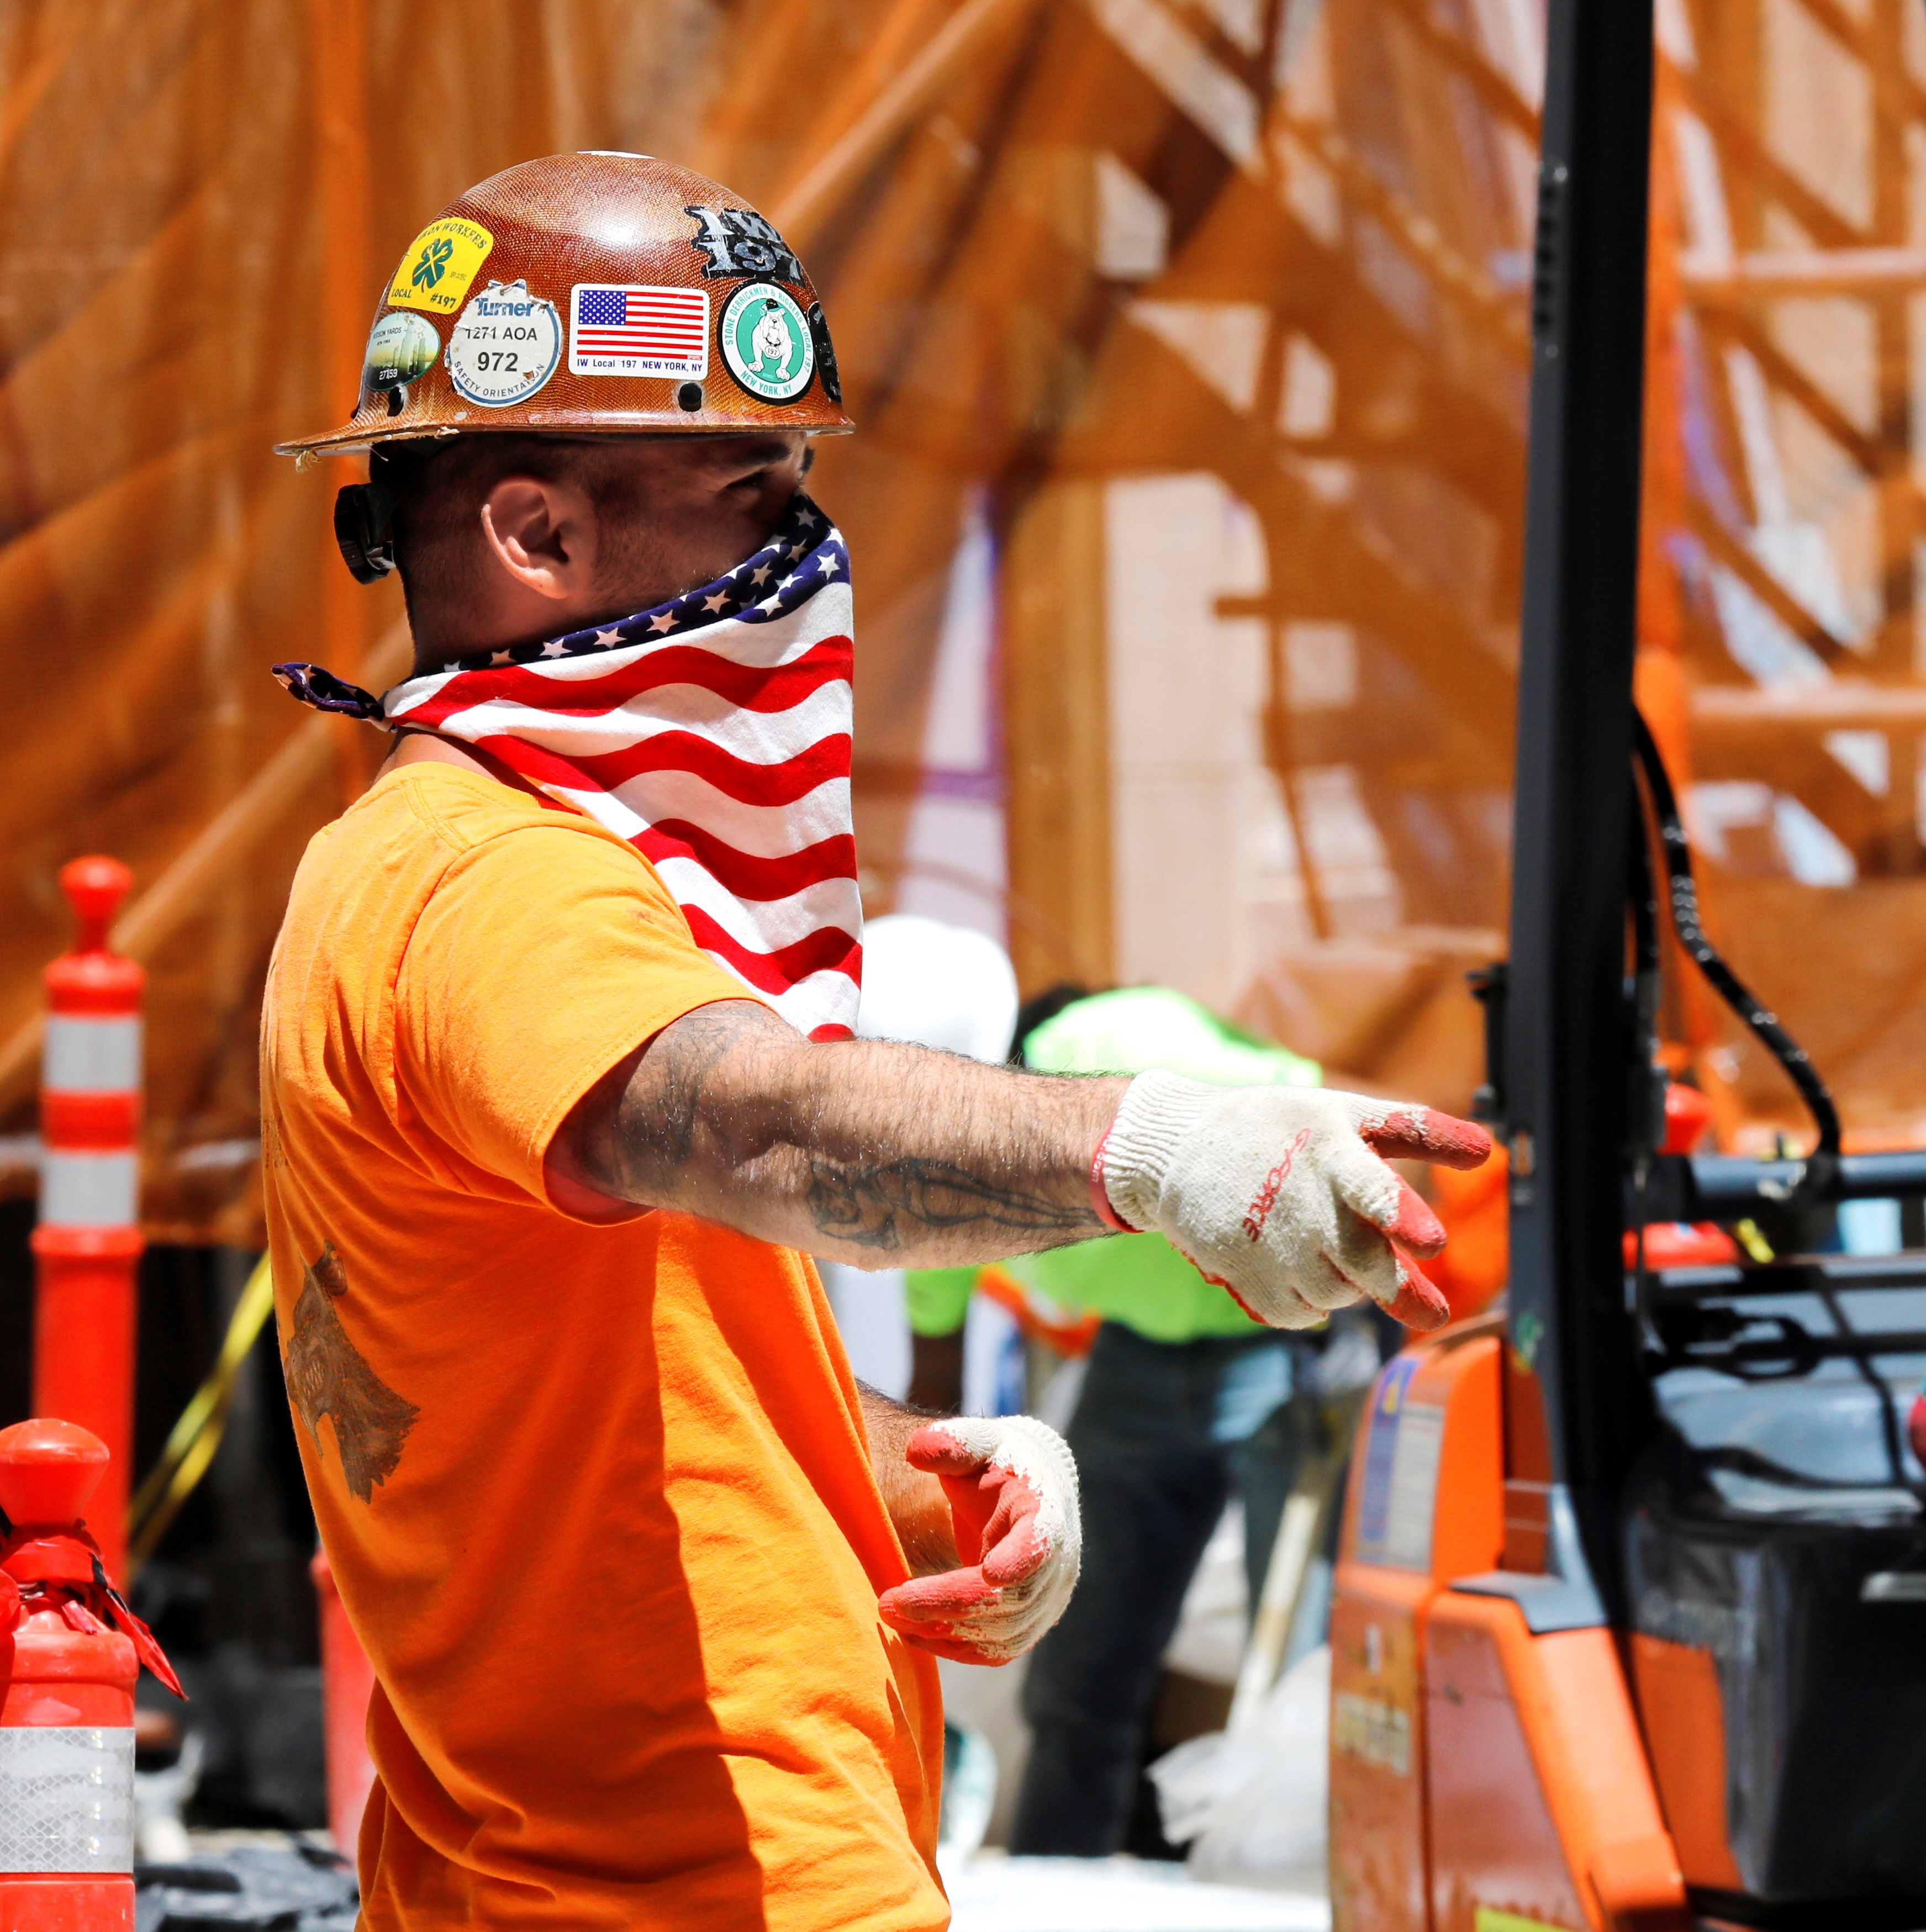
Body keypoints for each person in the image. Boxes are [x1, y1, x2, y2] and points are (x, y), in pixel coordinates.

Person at [257, 150, 1489, 1930]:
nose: (805, 558)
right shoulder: (488, 887)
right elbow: (761, 1128)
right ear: (536, 535)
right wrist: (1150, 1146)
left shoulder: (469, 874)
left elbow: (607, 1392)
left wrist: (912, 1468)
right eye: (755, 494)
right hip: (683, 1887)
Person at [904, 986, 1341, 1854]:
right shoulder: (943, 1170)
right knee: (1077, 1670)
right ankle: (1054, 1881)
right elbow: (936, 1389)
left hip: (1284, 1349)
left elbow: (1312, 1100)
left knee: (1297, 1675)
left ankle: (1305, 1877)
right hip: (1135, 1361)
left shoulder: (1104, 1040)